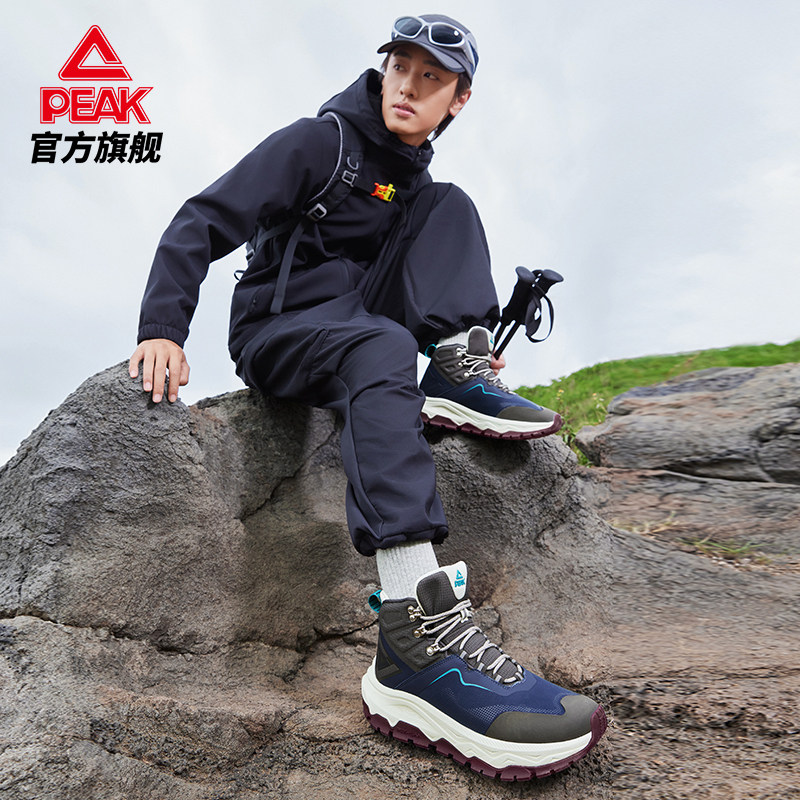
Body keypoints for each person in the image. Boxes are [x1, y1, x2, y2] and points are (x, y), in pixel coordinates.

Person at [129, 14, 606, 780]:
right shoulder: (319, 143)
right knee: (382, 345)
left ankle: (455, 368)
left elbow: (406, 274)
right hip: (277, 329)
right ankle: (414, 642)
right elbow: (204, 218)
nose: (408, 87)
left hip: (357, 325)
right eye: (400, 68)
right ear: (383, 69)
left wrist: (448, 336)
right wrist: (163, 329)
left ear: (459, 99)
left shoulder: (410, 183)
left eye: (431, 78)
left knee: (449, 205)